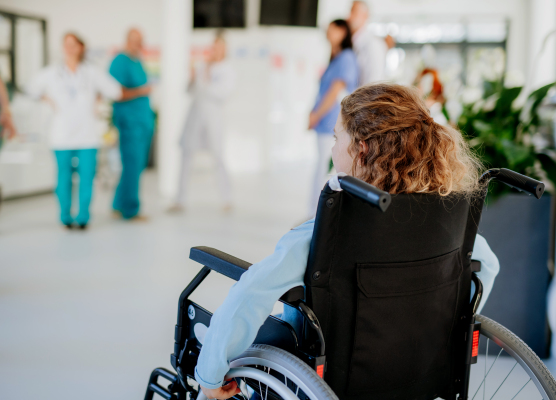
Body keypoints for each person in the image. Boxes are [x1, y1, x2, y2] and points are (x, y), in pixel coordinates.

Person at [194, 83, 500, 399]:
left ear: (361, 149)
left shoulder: (326, 235)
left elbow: (251, 293)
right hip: (417, 368)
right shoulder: (444, 222)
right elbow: (488, 266)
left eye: (337, 137)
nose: (332, 147)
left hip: (332, 378)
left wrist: (210, 375)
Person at [27, 33, 145, 229]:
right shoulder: (51, 72)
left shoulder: (92, 72)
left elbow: (115, 91)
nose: (70, 49)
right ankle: (65, 216)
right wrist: (45, 98)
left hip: (87, 135)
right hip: (61, 135)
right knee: (63, 178)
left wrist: (99, 95)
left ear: (81, 47)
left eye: (74, 45)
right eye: (67, 45)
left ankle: (83, 217)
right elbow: (30, 88)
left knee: (87, 178)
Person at [169, 33, 235, 213]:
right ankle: (179, 200)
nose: (215, 51)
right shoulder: (200, 67)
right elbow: (189, 90)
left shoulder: (227, 70)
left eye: (219, 48)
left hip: (213, 118)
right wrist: (193, 78)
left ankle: (226, 199)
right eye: (213, 47)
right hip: (195, 116)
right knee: (186, 156)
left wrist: (204, 79)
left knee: (218, 157)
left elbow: (221, 93)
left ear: (224, 50)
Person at [308, 19, 359, 217]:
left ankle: (317, 215)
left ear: (343, 32)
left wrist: (316, 114)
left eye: (333, 29)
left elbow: (335, 90)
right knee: (320, 167)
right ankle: (314, 213)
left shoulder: (346, 57)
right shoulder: (335, 58)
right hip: (325, 122)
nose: (328, 32)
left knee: (324, 170)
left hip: (331, 123)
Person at [109, 28, 154, 221]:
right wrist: (141, 91)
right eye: (135, 40)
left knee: (135, 166)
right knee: (132, 165)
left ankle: (118, 204)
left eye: (141, 41)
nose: (139, 44)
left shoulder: (138, 61)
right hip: (130, 122)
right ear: (127, 40)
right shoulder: (120, 62)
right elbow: (115, 92)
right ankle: (130, 210)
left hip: (142, 121)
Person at [347, 1, 388, 86]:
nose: (349, 17)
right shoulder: (352, 42)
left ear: (365, 16)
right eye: (350, 11)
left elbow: (373, 83)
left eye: (354, 12)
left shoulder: (374, 44)